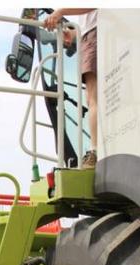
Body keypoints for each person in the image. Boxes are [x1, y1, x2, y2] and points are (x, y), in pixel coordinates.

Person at [44, 8, 98, 169]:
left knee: (93, 98)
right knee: (91, 98)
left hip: (93, 36)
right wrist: (74, 34)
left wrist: (60, 12)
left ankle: (95, 151)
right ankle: (95, 148)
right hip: (89, 35)